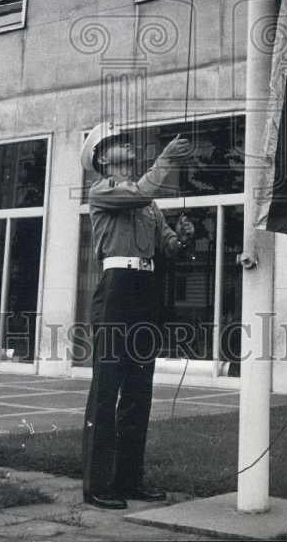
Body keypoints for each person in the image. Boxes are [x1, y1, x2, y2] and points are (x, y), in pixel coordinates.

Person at [80, 121, 195, 509]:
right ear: (102, 158)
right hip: (116, 290)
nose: (127, 145)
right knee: (106, 389)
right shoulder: (102, 189)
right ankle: (97, 485)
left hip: (144, 289)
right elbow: (143, 190)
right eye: (117, 142)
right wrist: (165, 160)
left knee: (138, 390)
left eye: (126, 140)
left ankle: (129, 480)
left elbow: (168, 248)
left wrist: (182, 239)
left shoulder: (148, 204)